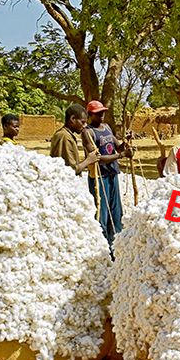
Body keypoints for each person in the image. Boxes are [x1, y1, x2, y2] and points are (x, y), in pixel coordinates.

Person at [82, 100, 133, 251]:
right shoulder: (88, 132)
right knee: (102, 214)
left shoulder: (107, 128)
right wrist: (121, 155)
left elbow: (118, 147)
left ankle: (117, 245)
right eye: (98, 114)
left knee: (116, 211)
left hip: (112, 174)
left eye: (103, 112)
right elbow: (97, 158)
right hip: (100, 178)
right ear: (90, 115)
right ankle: (103, 248)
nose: (102, 116)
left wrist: (126, 143)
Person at [50, 104, 100, 174]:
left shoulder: (67, 135)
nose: (85, 125)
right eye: (83, 122)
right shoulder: (64, 136)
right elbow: (71, 170)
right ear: (73, 119)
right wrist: (88, 160)